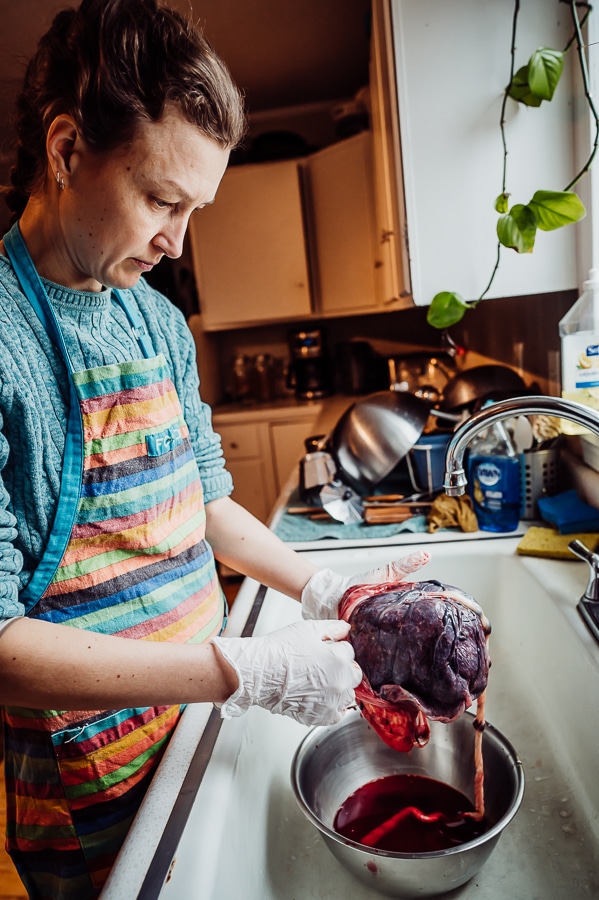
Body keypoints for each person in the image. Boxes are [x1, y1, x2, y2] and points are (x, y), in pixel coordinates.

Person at [0, 1, 429, 897]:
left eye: (194, 208)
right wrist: (250, 669)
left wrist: (325, 585)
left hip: (196, 723)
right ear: (68, 149)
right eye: (161, 199)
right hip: (94, 774)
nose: (176, 241)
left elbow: (203, 504)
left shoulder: (156, 320)